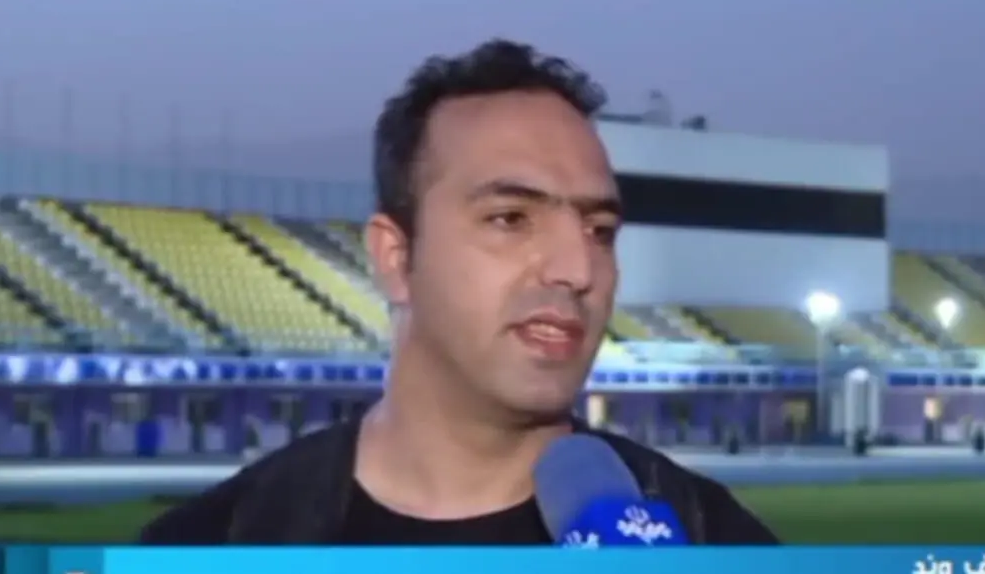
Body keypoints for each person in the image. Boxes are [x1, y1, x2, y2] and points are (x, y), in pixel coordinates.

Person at [139, 39, 779, 545]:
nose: (577, 268)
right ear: (396, 257)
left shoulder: (711, 541)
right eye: (511, 218)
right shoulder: (222, 543)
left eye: (600, 231)